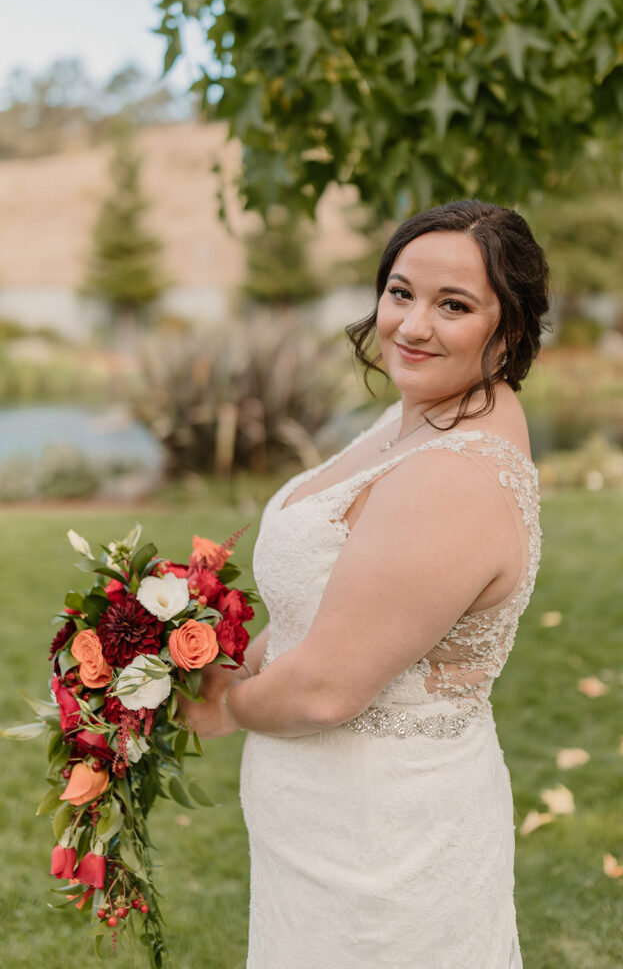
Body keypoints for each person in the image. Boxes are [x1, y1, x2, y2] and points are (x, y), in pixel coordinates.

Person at [180, 199, 549, 968]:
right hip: (328, 823)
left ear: (507, 330)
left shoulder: (454, 475)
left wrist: (217, 708)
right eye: (400, 291)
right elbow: (333, 596)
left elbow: (324, 692)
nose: (411, 326)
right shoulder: (421, 412)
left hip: (380, 843)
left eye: (453, 306)